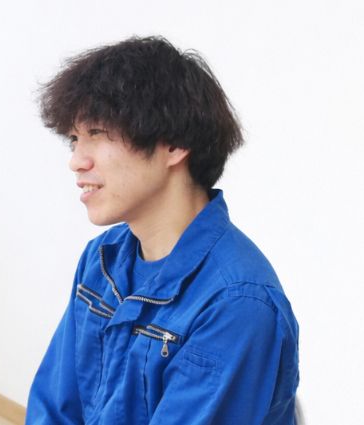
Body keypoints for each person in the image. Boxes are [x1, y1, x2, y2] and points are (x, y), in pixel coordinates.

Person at [25, 36, 300, 424]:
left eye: (97, 133)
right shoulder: (102, 260)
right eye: (74, 139)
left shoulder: (238, 303)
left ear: (174, 144)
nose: (76, 161)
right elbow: (54, 409)